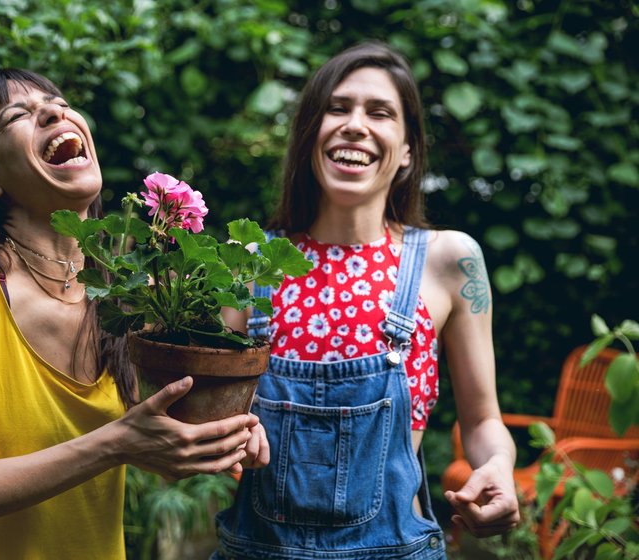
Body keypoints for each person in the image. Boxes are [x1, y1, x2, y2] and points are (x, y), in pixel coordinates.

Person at [0, 68, 268, 559]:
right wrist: (115, 444)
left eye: (58, 102)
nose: (53, 111)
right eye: (17, 115)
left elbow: (155, 449)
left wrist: (217, 436)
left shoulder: (128, 296)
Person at [213, 41, 520, 559]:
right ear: (311, 137)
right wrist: (220, 439)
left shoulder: (449, 260)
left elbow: (483, 421)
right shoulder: (250, 262)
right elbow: (206, 412)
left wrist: (498, 467)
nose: (356, 124)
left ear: (406, 152)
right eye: (338, 108)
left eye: (380, 112)